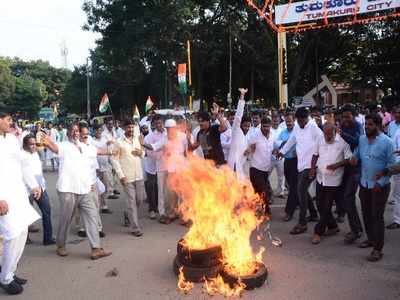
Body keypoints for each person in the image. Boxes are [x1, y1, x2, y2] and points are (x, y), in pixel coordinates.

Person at [41, 122, 112, 260]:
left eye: (77, 131)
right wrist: (47, 142)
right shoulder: (64, 146)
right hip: (67, 190)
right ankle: (60, 245)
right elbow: (55, 148)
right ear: (68, 133)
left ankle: (96, 248)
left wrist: (112, 151)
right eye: (72, 131)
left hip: (85, 189)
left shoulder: (86, 147)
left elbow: (98, 151)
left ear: (80, 133)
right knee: (66, 219)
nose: (75, 133)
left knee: (92, 216)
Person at [0, 108, 41, 295]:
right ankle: (5, 279)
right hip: (4, 198)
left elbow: (22, 164)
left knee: (23, 231)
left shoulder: (11, 139)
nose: (11, 123)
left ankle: (10, 270)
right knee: (11, 235)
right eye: (8, 119)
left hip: (18, 194)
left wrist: (33, 185)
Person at [351, 113, 395, 262]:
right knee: (366, 214)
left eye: (370, 125)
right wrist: (354, 157)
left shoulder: (387, 142)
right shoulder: (362, 139)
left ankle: (377, 249)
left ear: (378, 125)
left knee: (377, 217)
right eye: (366, 124)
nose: (367, 127)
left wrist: (380, 183)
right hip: (364, 184)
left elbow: (391, 166)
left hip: (379, 187)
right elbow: (357, 152)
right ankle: (370, 239)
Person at [279, 107, 320, 235]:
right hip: (301, 164)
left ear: (307, 118)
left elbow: (322, 144)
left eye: (303, 121)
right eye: (299, 121)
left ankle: (302, 224)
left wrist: (315, 167)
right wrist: (282, 151)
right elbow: (292, 140)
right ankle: (313, 214)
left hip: (311, 165)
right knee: (302, 190)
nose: (301, 124)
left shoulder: (314, 128)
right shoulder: (297, 126)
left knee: (300, 191)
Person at [309, 124, 352, 244]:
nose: (327, 137)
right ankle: (333, 226)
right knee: (319, 204)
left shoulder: (342, 142)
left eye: (330, 134)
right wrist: (312, 168)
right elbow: (315, 155)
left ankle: (318, 232)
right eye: (325, 134)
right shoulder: (320, 139)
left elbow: (349, 158)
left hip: (334, 180)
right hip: (320, 177)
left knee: (327, 206)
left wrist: (336, 165)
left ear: (335, 131)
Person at [142, 119, 188, 224]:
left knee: (181, 192)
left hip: (180, 168)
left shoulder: (183, 137)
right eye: (167, 129)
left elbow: (187, 151)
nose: (169, 131)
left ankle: (183, 214)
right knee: (167, 192)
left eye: (171, 129)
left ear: (175, 128)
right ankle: (166, 213)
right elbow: (153, 147)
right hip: (167, 168)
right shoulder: (164, 138)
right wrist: (143, 143)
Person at [111, 120, 146, 236]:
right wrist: (121, 176)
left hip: (139, 175)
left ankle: (127, 213)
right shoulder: (118, 142)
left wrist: (141, 152)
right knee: (132, 202)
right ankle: (135, 228)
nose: (130, 130)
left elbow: (143, 154)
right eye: (128, 127)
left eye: (132, 127)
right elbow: (114, 160)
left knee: (139, 199)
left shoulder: (137, 139)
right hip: (127, 177)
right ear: (123, 128)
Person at [21, 134, 55, 245]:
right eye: (31, 144)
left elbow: (38, 173)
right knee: (25, 215)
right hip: (26, 190)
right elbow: (25, 175)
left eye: (35, 143)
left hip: (40, 188)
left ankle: (48, 238)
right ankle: (25, 239)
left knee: (47, 210)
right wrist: (34, 187)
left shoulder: (35, 154)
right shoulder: (21, 156)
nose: (34, 146)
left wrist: (41, 186)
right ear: (25, 145)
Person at [337, 104, 364, 244]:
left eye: (348, 116)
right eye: (343, 117)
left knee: (348, 197)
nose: (345, 119)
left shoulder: (358, 126)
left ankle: (356, 230)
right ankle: (357, 227)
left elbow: (357, 141)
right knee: (345, 197)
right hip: (345, 166)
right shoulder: (342, 125)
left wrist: (342, 134)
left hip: (357, 167)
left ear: (354, 115)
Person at [75, 124, 106, 238]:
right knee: (82, 208)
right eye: (83, 135)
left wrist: (96, 179)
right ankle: (83, 228)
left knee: (95, 206)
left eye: (87, 135)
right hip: (79, 184)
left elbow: (95, 163)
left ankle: (98, 228)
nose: (85, 137)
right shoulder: (73, 148)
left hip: (92, 182)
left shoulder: (90, 146)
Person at [246, 117, 276, 215]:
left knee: (258, 191)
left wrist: (277, 152)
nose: (266, 128)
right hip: (255, 168)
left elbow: (271, 149)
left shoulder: (272, 135)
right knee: (263, 190)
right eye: (264, 126)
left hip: (265, 169)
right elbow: (250, 147)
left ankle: (256, 209)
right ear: (261, 126)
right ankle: (266, 211)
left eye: (268, 126)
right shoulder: (255, 135)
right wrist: (249, 150)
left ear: (270, 126)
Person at [227, 88, 252, 180]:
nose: (247, 128)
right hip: (233, 164)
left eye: (248, 126)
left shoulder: (249, 135)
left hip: (241, 166)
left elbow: (252, 145)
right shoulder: (236, 130)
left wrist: (249, 149)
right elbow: (238, 115)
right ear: (240, 124)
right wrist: (242, 96)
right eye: (245, 126)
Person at [278, 112, 298, 221]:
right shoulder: (283, 133)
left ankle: (289, 212)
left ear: (294, 120)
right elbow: (278, 143)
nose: (288, 123)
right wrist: (281, 144)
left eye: (290, 121)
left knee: (294, 188)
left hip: (297, 162)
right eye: (286, 121)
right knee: (294, 187)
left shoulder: (298, 131)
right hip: (287, 161)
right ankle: (313, 212)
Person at [92, 125, 114, 214]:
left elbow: (109, 153)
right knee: (96, 188)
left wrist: (111, 165)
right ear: (94, 131)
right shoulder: (91, 141)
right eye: (97, 131)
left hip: (105, 167)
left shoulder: (105, 140)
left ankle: (104, 204)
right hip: (95, 169)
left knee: (105, 187)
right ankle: (98, 205)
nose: (98, 132)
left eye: (100, 131)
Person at [384, 128, 400, 229]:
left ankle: (398, 220)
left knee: (398, 195)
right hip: (396, 162)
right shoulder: (396, 128)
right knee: (397, 194)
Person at [270, 113, 285, 198]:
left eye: (277, 120)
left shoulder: (282, 130)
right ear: (271, 120)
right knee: (266, 174)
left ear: (279, 120)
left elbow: (284, 142)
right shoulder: (269, 130)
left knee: (281, 175)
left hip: (280, 156)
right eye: (274, 119)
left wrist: (280, 150)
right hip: (270, 156)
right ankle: (268, 191)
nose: (275, 121)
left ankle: (281, 191)